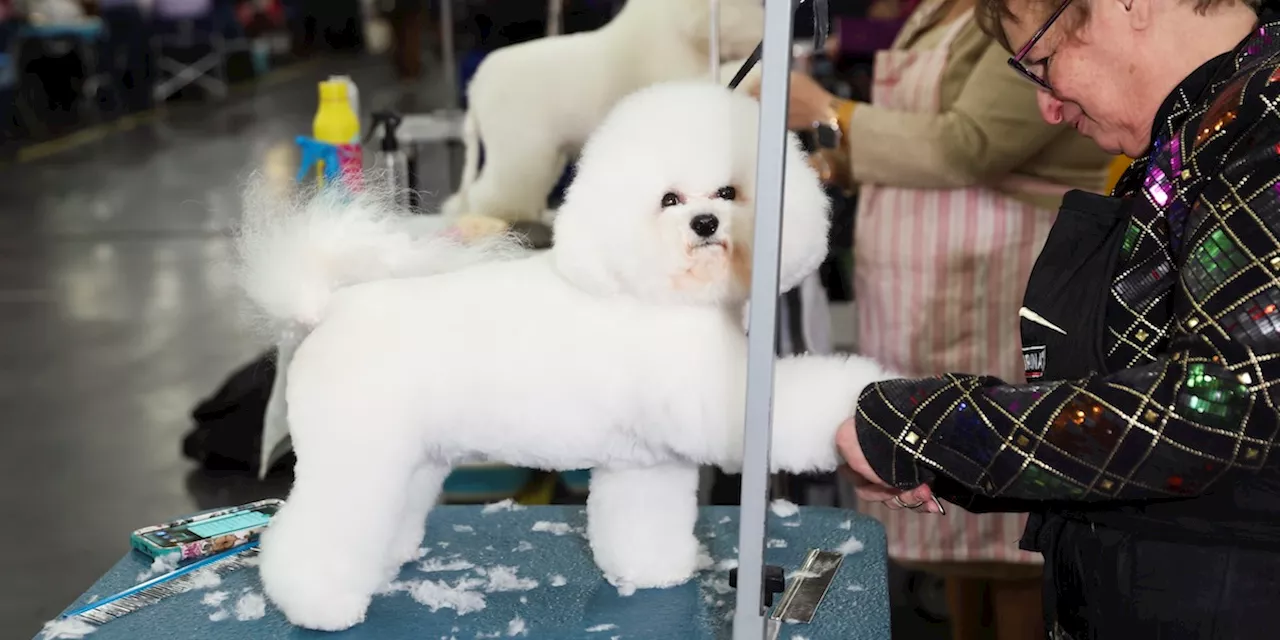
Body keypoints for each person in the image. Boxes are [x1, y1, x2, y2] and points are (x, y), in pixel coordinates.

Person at [828, 0, 1280, 636]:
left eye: (1043, 62)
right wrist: (938, 457)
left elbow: (1220, 408)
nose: (1048, 107)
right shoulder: (1194, 139)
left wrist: (931, 429)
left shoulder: (1267, 126)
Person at [750, 0, 1113, 637]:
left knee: (1009, 536)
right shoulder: (937, 14)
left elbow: (970, 147)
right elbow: (882, 143)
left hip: (995, 276)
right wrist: (826, 153)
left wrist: (825, 112)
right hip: (924, 289)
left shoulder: (1030, 12)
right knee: (959, 540)